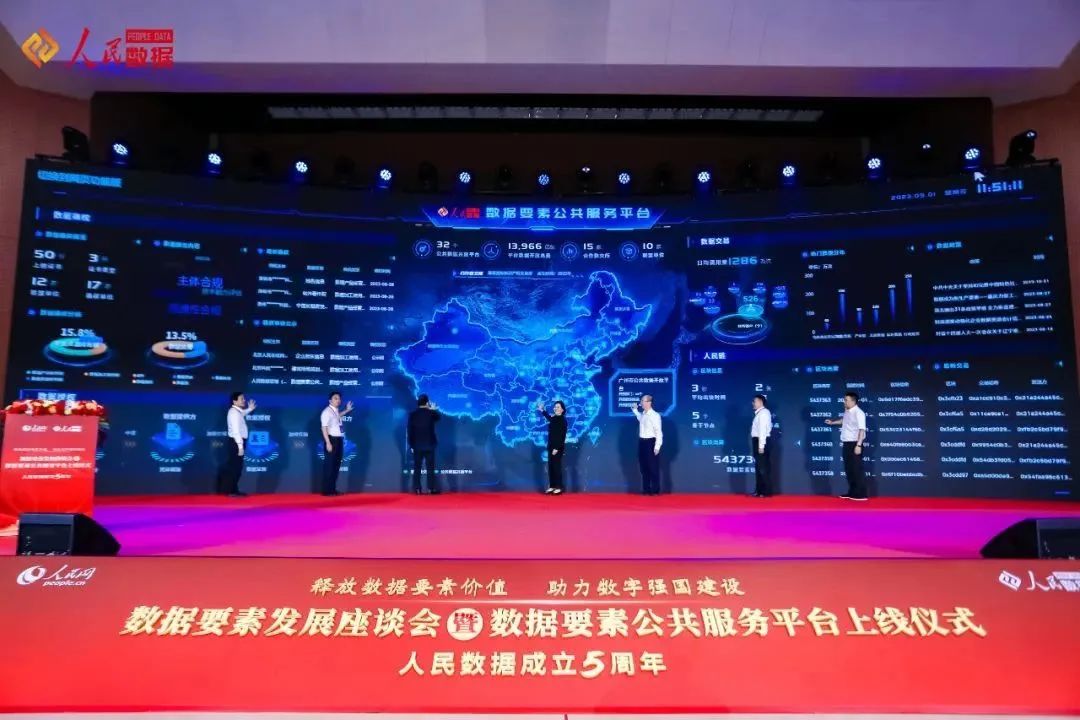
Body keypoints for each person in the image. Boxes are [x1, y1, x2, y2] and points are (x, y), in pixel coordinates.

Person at [825, 391, 868, 501]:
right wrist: (832, 423)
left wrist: (858, 445)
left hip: (855, 443)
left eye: (846, 400)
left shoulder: (859, 413)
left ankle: (861, 494)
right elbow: (843, 421)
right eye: (844, 400)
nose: (844, 402)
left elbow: (862, 429)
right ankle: (852, 492)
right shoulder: (847, 411)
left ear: (853, 401)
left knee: (856, 469)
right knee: (849, 469)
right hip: (847, 444)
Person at [220, 391, 255, 497]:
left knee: (237, 467)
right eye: (241, 399)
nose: (244, 400)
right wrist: (240, 446)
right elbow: (236, 431)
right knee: (235, 467)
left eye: (244, 398)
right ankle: (232, 491)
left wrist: (249, 409)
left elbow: (242, 414)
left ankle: (234, 490)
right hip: (236, 443)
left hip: (237, 442)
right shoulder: (234, 413)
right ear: (234, 401)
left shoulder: (236, 412)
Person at [320, 391, 354, 496]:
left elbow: (338, 416)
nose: (338, 400)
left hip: (339, 440)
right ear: (330, 401)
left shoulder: (335, 411)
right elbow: (324, 428)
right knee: (330, 466)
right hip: (331, 440)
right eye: (335, 398)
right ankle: (327, 491)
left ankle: (333, 489)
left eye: (339, 398)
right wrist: (328, 443)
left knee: (336, 466)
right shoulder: (326, 412)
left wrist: (347, 410)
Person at [407, 394, 441, 494]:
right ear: (427, 403)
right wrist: (432, 409)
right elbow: (438, 418)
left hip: (417, 445)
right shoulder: (431, 413)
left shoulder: (413, 415)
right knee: (430, 468)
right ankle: (431, 489)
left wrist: (411, 444)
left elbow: (410, 431)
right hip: (430, 445)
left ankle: (417, 489)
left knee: (417, 468)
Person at [631, 395, 663, 495]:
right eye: (641, 401)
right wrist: (635, 411)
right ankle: (646, 489)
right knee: (643, 468)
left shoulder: (655, 415)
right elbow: (640, 419)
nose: (641, 403)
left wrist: (657, 446)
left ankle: (655, 490)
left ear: (649, 402)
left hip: (650, 443)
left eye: (643, 401)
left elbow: (658, 432)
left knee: (653, 468)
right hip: (642, 442)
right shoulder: (644, 414)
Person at [537, 400, 568, 494]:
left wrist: (557, 448)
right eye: (555, 407)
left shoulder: (562, 420)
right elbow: (549, 417)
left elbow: (562, 436)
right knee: (551, 467)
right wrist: (542, 410)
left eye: (558, 407)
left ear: (562, 409)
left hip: (557, 447)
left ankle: (559, 487)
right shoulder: (554, 418)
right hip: (550, 446)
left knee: (556, 467)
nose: (555, 408)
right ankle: (552, 486)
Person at [749, 394, 773, 497]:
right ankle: (759, 491)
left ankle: (765, 492)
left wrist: (761, 445)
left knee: (763, 467)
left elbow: (763, 430)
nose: (753, 403)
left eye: (754, 401)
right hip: (757, 441)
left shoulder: (764, 413)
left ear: (760, 402)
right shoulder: (759, 413)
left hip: (761, 441)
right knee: (759, 467)